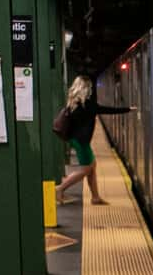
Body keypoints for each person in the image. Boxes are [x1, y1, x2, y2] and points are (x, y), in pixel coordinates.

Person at [54, 76, 129, 205]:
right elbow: (106, 110)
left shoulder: (73, 103)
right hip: (81, 142)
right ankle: (60, 189)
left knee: (91, 166)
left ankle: (95, 197)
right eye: (90, 87)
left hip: (75, 140)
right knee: (86, 169)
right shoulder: (87, 105)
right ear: (86, 88)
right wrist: (127, 109)